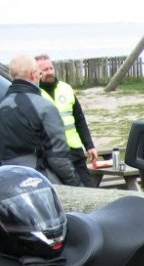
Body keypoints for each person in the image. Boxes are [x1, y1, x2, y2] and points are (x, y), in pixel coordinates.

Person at [0, 54, 81, 187]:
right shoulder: (44, 107)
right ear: (33, 74)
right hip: (35, 182)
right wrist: (75, 185)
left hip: (0, 183)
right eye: (40, 73)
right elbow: (58, 158)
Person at [35, 54, 99, 187]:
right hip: (52, 153)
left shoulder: (66, 88)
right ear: (37, 73)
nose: (50, 72)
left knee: (89, 188)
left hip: (74, 149)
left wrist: (89, 145)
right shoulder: (35, 94)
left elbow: (79, 119)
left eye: (51, 68)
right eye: (45, 70)